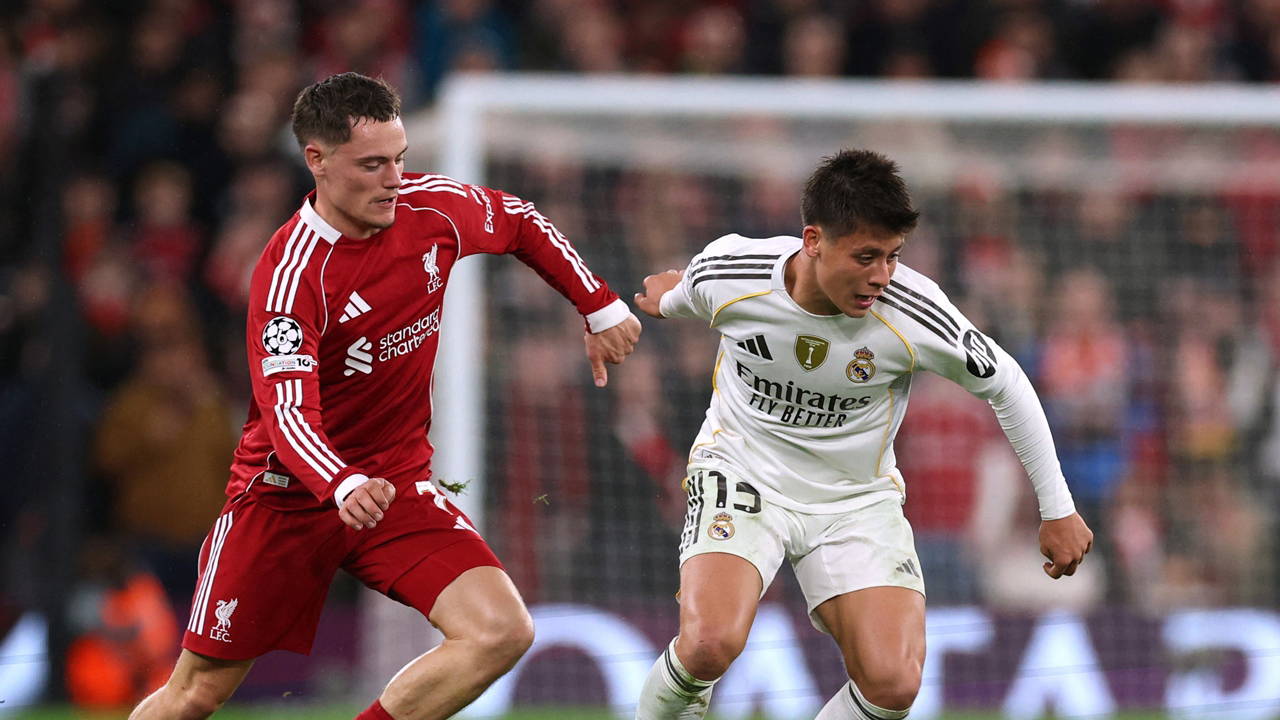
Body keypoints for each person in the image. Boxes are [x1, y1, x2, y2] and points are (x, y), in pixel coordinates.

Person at [128, 72, 642, 720]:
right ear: (317, 160)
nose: (394, 179)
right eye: (372, 165)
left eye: (399, 159)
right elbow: (288, 412)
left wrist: (598, 305)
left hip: (395, 486)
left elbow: (518, 220)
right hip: (287, 499)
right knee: (195, 693)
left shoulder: (432, 211)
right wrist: (340, 483)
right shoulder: (292, 276)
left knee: (501, 631)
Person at [631, 149, 1092, 720]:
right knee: (708, 644)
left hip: (854, 499)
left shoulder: (913, 311)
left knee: (892, 684)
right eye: (866, 256)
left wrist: (1057, 508)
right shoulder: (732, 273)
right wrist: (664, 301)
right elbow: (684, 293)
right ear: (813, 240)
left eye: (893, 256)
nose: (881, 276)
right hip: (742, 472)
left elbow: (1008, 384)